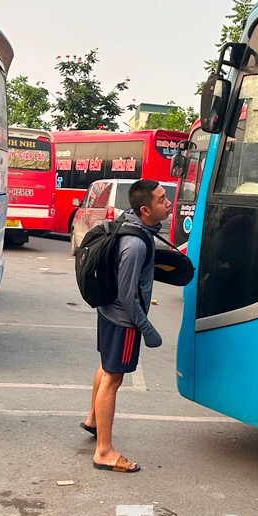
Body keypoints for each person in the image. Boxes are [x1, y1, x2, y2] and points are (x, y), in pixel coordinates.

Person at [82, 179, 172, 472]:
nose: (168, 202)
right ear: (145, 209)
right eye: (161, 200)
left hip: (109, 312)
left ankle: (93, 419)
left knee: (105, 367)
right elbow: (128, 294)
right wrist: (147, 330)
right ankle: (104, 452)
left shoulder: (131, 223)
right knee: (114, 378)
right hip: (124, 321)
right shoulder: (134, 244)